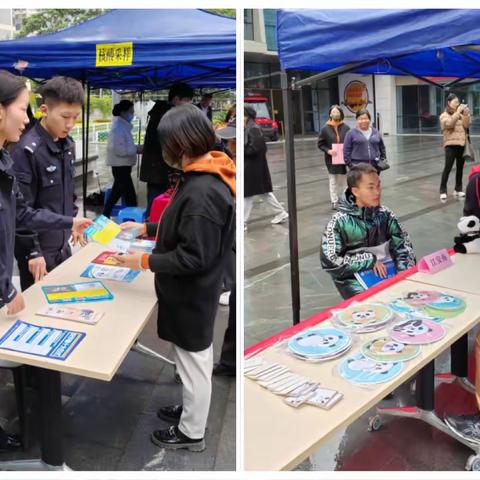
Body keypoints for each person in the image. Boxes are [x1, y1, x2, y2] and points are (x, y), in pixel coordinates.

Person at [113, 104, 235, 451]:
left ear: (179, 144)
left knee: (196, 364)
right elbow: (182, 227)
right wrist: (145, 227)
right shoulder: (202, 174)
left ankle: (191, 432)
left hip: (192, 294)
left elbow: (193, 256)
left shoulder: (204, 191)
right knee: (187, 360)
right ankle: (190, 411)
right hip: (187, 293)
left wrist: (143, 261)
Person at [0, 70, 91, 451]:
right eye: (21, 109)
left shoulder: (9, 157)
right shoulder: (23, 149)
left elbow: (22, 212)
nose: (25, 118)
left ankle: (41, 386)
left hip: (54, 242)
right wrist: (7, 284)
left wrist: (71, 220)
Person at [12, 76, 86, 290]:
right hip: (39, 253)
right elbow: (22, 210)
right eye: (65, 117)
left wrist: (72, 222)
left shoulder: (67, 145)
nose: (70, 124)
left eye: (76, 117)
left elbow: (68, 191)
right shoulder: (26, 150)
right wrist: (32, 251)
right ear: (44, 110)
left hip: (62, 245)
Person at [320, 163, 415, 299]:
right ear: (355, 191)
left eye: (378, 186)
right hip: (355, 281)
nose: (377, 192)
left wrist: (403, 275)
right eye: (370, 187)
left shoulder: (386, 215)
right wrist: (368, 260)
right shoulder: (338, 223)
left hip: (389, 274)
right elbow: (331, 260)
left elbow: (403, 248)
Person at [140, 83, 194, 218]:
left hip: (159, 168)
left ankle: (151, 230)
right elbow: (168, 142)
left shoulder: (162, 112)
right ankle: (150, 233)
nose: (189, 104)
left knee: (157, 204)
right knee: (156, 206)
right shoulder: (166, 115)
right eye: (187, 100)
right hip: (159, 169)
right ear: (176, 99)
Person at [244, 105, 288, 230]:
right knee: (264, 192)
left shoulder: (253, 128)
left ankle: (242, 222)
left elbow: (257, 148)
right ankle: (280, 213)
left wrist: (242, 150)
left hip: (253, 167)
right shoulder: (251, 127)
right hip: (255, 167)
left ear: (247, 115)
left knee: (247, 194)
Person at [102, 100, 141, 218]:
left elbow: (125, 146)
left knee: (116, 193)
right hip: (120, 167)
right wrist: (135, 149)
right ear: (123, 112)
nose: (132, 115)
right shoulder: (118, 127)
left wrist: (136, 148)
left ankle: (105, 216)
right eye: (131, 112)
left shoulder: (123, 126)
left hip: (123, 166)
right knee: (130, 196)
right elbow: (119, 149)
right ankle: (132, 219)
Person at [439, 93, 471, 203]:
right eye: (455, 102)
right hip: (450, 146)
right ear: (449, 102)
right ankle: (443, 190)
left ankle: (458, 189)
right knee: (447, 168)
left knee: (460, 168)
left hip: (461, 144)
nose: (457, 104)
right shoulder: (444, 115)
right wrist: (457, 113)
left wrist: (466, 115)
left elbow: (466, 126)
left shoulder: (461, 114)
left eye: (458, 102)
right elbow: (449, 124)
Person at [317, 105, 350, 210]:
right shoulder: (325, 129)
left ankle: (345, 199)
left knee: (344, 181)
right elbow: (320, 144)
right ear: (330, 114)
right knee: (333, 180)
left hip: (343, 159)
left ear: (341, 114)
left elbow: (350, 141)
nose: (335, 114)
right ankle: (334, 201)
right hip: (331, 159)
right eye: (333, 112)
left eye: (337, 112)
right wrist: (328, 151)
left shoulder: (346, 128)